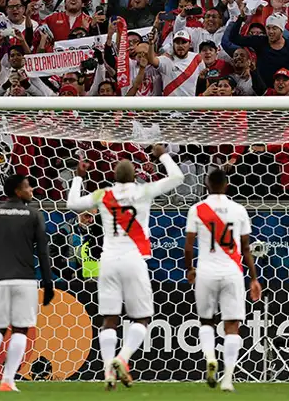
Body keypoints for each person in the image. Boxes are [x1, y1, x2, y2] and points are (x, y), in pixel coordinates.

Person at [66, 152, 185, 388]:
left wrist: (78, 177)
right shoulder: (143, 191)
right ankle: (123, 357)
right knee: (142, 317)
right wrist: (162, 155)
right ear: (134, 177)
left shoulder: (103, 194)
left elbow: (71, 204)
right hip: (134, 258)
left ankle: (108, 370)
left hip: (108, 260)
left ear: (115, 177)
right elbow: (178, 177)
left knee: (109, 319)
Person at [0, 175, 53, 392]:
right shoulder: (33, 214)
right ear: (18, 191)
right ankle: (7, 380)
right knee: (20, 330)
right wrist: (48, 282)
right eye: (28, 186)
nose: (32, 189)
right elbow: (43, 252)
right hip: (25, 280)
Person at [185, 167, 261, 392]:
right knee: (232, 326)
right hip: (232, 272)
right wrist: (254, 279)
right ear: (227, 185)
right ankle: (227, 379)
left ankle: (210, 357)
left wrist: (190, 268)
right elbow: (246, 248)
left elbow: (188, 246)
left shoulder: (197, 209)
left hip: (206, 272)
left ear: (206, 185)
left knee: (206, 321)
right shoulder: (238, 210)